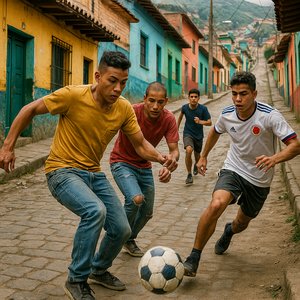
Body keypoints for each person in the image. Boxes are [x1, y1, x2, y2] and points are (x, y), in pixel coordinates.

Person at [0, 51, 176, 300]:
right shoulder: (73, 95)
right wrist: (8, 146)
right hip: (61, 171)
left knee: (122, 229)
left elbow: (139, 143)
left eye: (123, 83)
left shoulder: (123, 108)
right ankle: (76, 279)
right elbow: (30, 109)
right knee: (95, 211)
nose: (117, 88)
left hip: (93, 173)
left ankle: (98, 269)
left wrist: (161, 158)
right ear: (98, 76)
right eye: (112, 81)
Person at [183, 71, 300, 277]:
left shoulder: (269, 115)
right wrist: (203, 157)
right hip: (234, 168)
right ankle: (194, 257)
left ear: (254, 94)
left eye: (243, 94)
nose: (238, 99)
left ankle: (229, 232)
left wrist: (274, 159)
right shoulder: (227, 114)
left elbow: (295, 145)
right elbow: (215, 131)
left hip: (260, 178)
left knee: (241, 223)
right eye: (234, 93)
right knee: (216, 204)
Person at [110, 82, 179, 257]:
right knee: (135, 199)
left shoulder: (169, 119)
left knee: (147, 212)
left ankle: (129, 238)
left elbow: (174, 150)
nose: (155, 106)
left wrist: (170, 162)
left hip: (144, 165)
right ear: (144, 99)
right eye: (151, 101)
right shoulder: (131, 111)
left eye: (160, 102)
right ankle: (116, 233)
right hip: (121, 161)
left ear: (166, 101)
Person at [177, 88, 212, 185]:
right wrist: (175, 129)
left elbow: (209, 122)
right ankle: (189, 175)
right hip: (188, 133)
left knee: (197, 156)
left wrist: (200, 121)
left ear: (199, 98)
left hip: (198, 136)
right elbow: (180, 117)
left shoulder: (203, 109)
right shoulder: (184, 108)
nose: (193, 99)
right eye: (191, 97)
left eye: (195, 97)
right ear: (188, 98)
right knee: (188, 150)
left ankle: (196, 165)